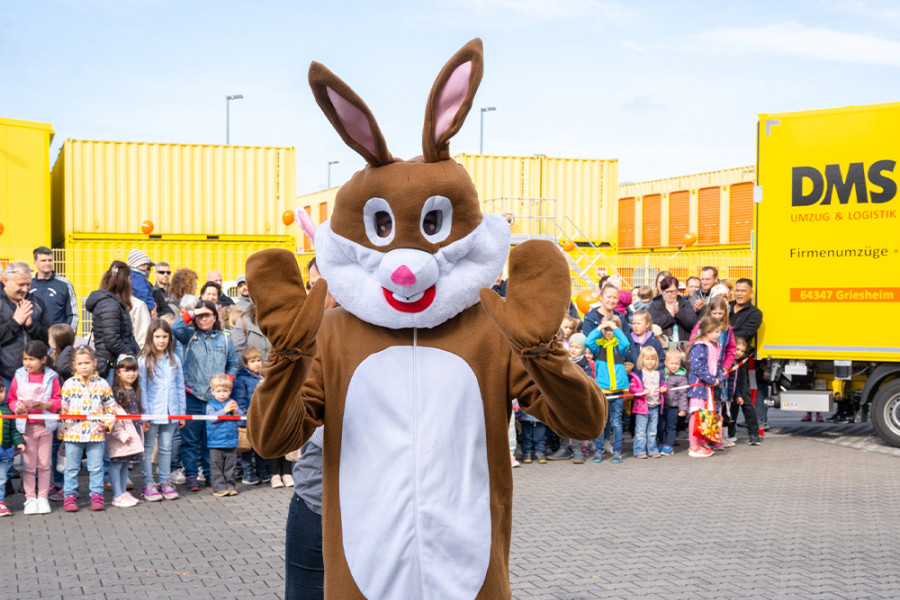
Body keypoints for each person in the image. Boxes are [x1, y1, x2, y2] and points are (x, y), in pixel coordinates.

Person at [172, 300, 239, 492]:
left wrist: (226, 381)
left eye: (207, 315)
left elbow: (233, 364)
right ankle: (191, 475)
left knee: (211, 438)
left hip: (216, 399)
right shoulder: (188, 335)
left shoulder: (225, 340)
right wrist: (192, 312)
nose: (203, 319)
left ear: (215, 317)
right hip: (191, 394)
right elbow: (174, 327)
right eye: (200, 316)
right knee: (190, 440)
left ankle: (211, 475)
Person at [6, 339, 61, 515]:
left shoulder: (52, 376)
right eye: (25, 359)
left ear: (43, 359)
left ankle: (43, 497)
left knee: (44, 464)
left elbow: (58, 399)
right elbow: (11, 398)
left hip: (46, 426)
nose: (27, 363)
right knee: (29, 465)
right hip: (26, 427)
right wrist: (18, 408)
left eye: (31, 359)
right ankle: (30, 498)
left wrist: (47, 405)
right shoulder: (19, 375)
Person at [60, 346, 116, 512]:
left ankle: (97, 495)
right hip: (73, 434)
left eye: (87, 362)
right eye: (80, 363)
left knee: (96, 467)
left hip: (96, 433)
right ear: (74, 365)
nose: (84, 366)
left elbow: (111, 407)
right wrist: (62, 434)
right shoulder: (69, 384)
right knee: (71, 468)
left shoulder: (103, 384)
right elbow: (63, 409)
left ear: (95, 362)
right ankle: (70, 495)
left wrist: (107, 424)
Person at [139, 319, 185, 502]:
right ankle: (148, 483)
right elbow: (142, 389)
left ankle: (165, 481)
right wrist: (145, 416)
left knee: (166, 448)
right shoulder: (143, 361)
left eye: (165, 336)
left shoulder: (175, 360)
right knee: (148, 448)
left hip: (171, 411)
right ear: (151, 337)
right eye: (157, 336)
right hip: (152, 412)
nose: (161, 340)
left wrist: (181, 413)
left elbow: (180, 387)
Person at [85, 260, 141, 383]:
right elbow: (111, 340)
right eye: (129, 279)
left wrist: (139, 355)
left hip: (115, 363)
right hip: (110, 366)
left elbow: (127, 336)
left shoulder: (113, 303)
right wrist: (130, 354)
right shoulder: (110, 305)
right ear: (125, 281)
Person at [586, 314, 631, 463]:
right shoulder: (598, 346)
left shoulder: (620, 346)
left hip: (617, 391)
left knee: (616, 422)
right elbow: (588, 341)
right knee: (601, 422)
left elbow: (626, 341)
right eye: (607, 329)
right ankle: (598, 450)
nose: (609, 332)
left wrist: (614, 327)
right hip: (603, 391)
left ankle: (617, 452)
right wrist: (600, 327)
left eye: (611, 329)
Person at [0, 261, 50, 392]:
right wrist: (15, 322)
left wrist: (32, 326)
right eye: (20, 284)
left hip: (34, 378)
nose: (25, 289)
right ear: (5, 280)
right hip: (5, 378)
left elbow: (49, 338)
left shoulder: (37, 303)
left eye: (28, 284)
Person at [728, 278, 766, 428]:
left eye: (743, 291)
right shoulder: (727, 307)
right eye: (737, 290)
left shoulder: (755, 313)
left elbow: (744, 333)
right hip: (720, 357)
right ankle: (726, 430)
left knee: (741, 395)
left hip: (739, 360)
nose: (739, 294)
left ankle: (751, 431)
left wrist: (723, 335)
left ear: (751, 292)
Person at [108, 355, 144, 508]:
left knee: (125, 464)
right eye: (127, 370)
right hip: (120, 435)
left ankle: (122, 492)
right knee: (116, 464)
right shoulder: (118, 392)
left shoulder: (135, 389)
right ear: (118, 372)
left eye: (134, 370)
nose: (131, 374)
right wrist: (121, 434)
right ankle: (117, 494)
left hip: (132, 433)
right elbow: (114, 415)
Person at [687, 317, 724, 458]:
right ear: (707, 331)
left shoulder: (715, 346)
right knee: (696, 414)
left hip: (710, 387)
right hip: (699, 387)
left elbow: (718, 365)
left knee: (707, 415)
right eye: (716, 332)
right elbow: (697, 368)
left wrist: (719, 378)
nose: (719, 334)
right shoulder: (699, 346)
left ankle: (703, 442)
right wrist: (711, 379)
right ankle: (693, 445)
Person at [233, 346, 270, 485]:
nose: (257, 364)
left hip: (263, 418)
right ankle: (248, 473)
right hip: (248, 418)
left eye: (259, 360)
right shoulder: (241, 380)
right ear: (246, 364)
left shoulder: (264, 377)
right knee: (247, 448)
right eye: (253, 361)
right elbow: (241, 400)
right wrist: (243, 419)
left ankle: (262, 471)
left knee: (260, 446)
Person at [47, 324, 75, 501]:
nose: (49, 341)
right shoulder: (56, 356)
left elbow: (63, 369)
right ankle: (58, 482)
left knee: (62, 448)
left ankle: (65, 485)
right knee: (55, 447)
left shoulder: (67, 357)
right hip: (57, 411)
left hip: (65, 411)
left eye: (51, 338)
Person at [205, 373, 242, 497]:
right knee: (217, 467)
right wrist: (224, 411)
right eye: (219, 391)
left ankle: (230, 486)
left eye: (225, 391)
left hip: (231, 441)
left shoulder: (233, 403)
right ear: (213, 392)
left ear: (230, 391)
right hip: (216, 443)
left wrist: (235, 412)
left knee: (230, 466)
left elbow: (240, 418)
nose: (222, 394)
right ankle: (219, 487)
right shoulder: (211, 405)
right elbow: (212, 418)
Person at [30, 246, 79, 331]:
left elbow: (73, 314)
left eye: (50, 260)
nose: (47, 263)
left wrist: (68, 335)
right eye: (43, 260)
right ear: (35, 262)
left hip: (57, 337)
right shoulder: (28, 283)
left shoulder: (64, 284)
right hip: (33, 336)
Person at [629, 346, 665, 459]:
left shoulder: (658, 374)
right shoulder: (638, 374)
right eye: (647, 359)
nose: (650, 361)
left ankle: (652, 449)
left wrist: (663, 387)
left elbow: (663, 384)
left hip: (655, 406)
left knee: (653, 431)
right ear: (642, 360)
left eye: (652, 359)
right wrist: (642, 391)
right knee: (640, 431)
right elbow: (632, 388)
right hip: (642, 407)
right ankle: (639, 450)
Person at [726, 337, 761, 445]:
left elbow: (741, 378)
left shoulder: (741, 360)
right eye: (737, 349)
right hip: (729, 385)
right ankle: (730, 433)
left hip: (739, 383)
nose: (739, 353)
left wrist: (739, 393)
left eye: (742, 351)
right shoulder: (727, 358)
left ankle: (754, 435)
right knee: (730, 409)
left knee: (747, 404)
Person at [648, 275, 697, 349]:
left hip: (684, 346)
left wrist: (678, 313)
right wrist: (670, 316)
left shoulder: (685, 304)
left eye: (672, 291)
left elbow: (692, 323)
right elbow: (653, 324)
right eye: (666, 292)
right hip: (664, 347)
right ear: (662, 291)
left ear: (677, 291)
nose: (669, 294)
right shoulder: (655, 305)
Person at [0, 381, 26, 517]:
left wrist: (19, 442)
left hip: (3, 453)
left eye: (1, 391)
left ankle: (1, 503)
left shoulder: (8, 410)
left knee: (1, 478)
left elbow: (14, 431)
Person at [660, 348, 688, 456]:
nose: (674, 366)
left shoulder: (681, 377)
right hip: (662, 405)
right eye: (671, 363)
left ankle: (669, 445)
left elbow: (683, 394)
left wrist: (683, 409)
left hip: (673, 406)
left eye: (677, 363)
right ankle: (662, 442)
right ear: (666, 363)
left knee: (671, 427)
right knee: (661, 426)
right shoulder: (661, 373)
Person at [127, 249, 157, 316]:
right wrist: (151, 306)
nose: (146, 267)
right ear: (135, 264)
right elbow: (141, 294)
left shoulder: (135, 276)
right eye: (143, 264)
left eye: (147, 265)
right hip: (143, 309)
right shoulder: (138, 277)